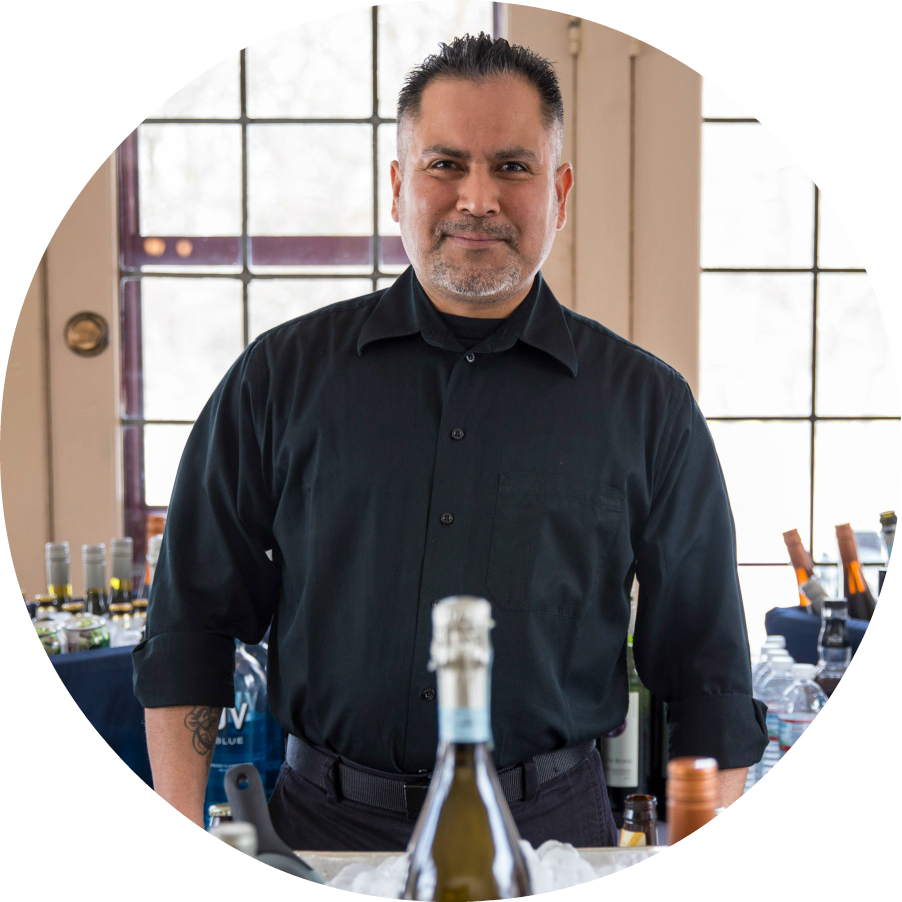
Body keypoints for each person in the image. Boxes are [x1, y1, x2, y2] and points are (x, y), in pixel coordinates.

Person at [133, 33, 767, 851]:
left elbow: (708, 675)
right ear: (399, 187)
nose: (477, 198)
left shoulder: (649, 405)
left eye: (512, 166)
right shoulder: (276, 379)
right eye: (444, 166)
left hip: (552, 838)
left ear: (559, 190)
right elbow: (190, 627)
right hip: (323, 830)